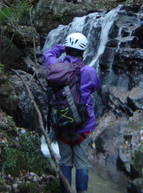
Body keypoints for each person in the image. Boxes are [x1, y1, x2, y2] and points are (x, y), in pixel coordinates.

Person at [43, 33, 101, 193]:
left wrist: (62, 46)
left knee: (65, 162)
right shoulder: (88, 70)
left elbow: (47, 54)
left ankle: (65, 190)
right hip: (83, 126)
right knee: (82, 163)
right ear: (83, 51)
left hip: (61, 125)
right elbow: (95, 87)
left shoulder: (54, 67)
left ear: (67, 49)